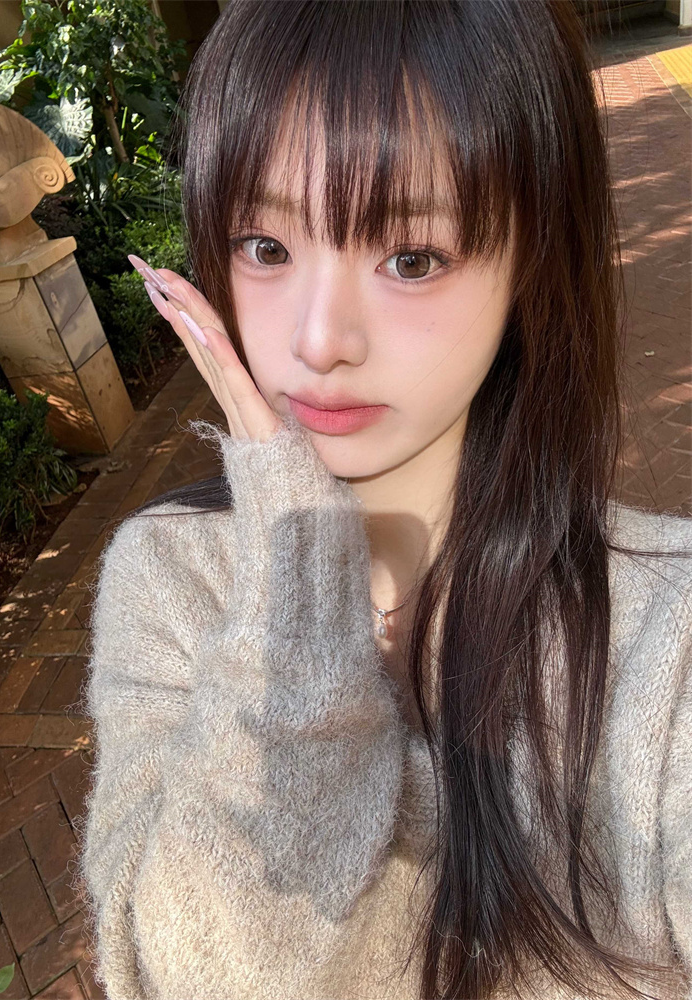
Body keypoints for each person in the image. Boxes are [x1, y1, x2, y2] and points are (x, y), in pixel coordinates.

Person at [72, 2, 692, 998]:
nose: (319, 340)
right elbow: (196, 970)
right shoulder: (172, 579)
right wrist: (295, 565)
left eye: (411, 258)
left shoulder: (665, 630)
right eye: (265, 247)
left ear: (533, 260)